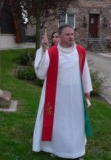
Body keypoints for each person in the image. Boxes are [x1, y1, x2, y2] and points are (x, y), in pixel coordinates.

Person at [32, 24, 93, 159]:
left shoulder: (80, 51)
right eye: (67, 34)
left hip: (76, 96)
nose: (71, 37)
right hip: (57, 97)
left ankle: (77, 150)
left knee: (76, 122)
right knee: (59, 123)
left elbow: (84, 71)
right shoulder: (52, 52)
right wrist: (43, 50)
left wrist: (87, 89)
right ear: (60, 37)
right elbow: (41, 74)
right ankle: (57, 149)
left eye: (72, 34)